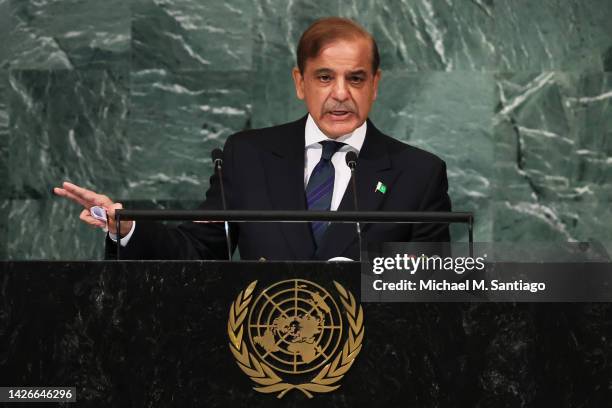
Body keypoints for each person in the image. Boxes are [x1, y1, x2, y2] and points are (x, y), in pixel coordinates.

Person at [54, 17, 451, 261]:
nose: (341, 94)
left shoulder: (419, 173)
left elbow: (433, 292)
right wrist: (127, 228)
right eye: (325, 77)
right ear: (300, 82)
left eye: (356, 78)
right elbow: (199, 253)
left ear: (375, 85)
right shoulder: (249, 156)